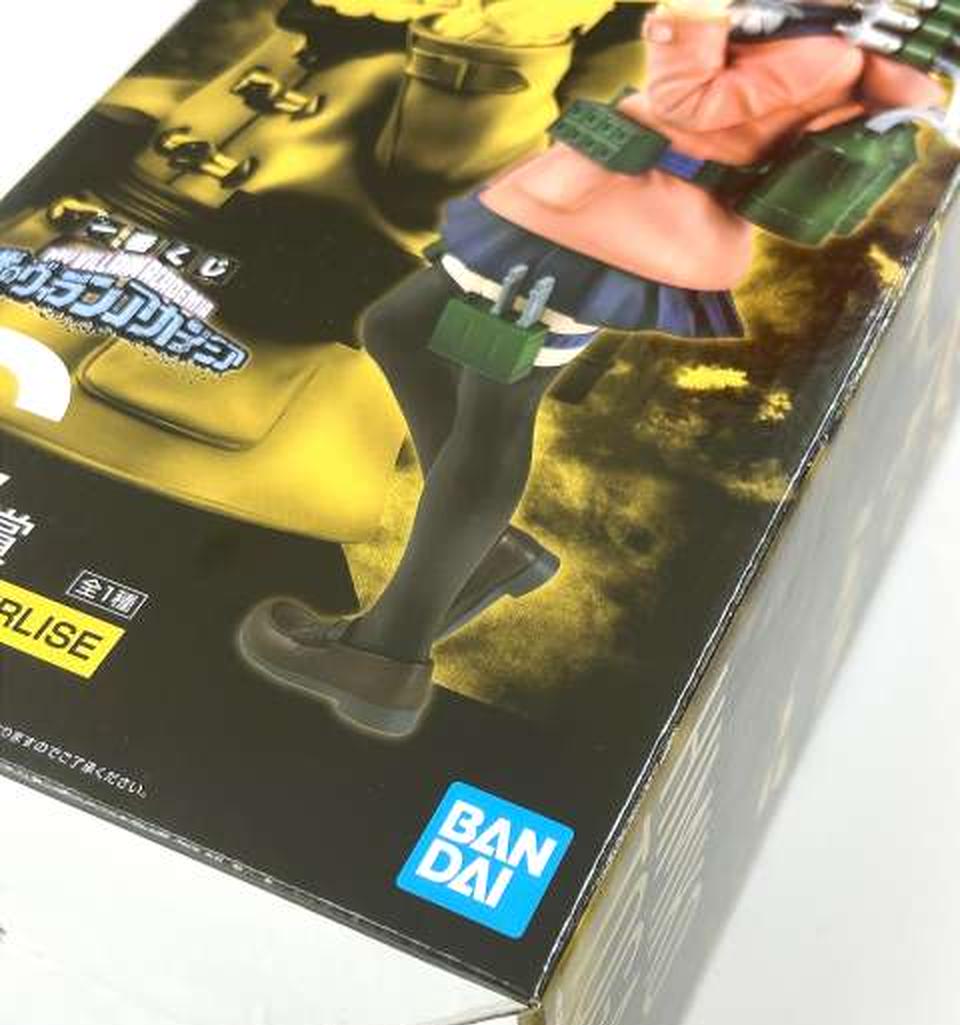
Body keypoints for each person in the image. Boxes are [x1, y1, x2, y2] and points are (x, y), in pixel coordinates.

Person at [239, 0, 946, 736]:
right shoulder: (797, 30)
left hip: (613, 235)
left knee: (496, 404)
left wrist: (694, 17)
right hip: (578, 208)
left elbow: (688, 102)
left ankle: (385, 657)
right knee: (400, 327)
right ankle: (476, 545)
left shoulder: (823, 55)